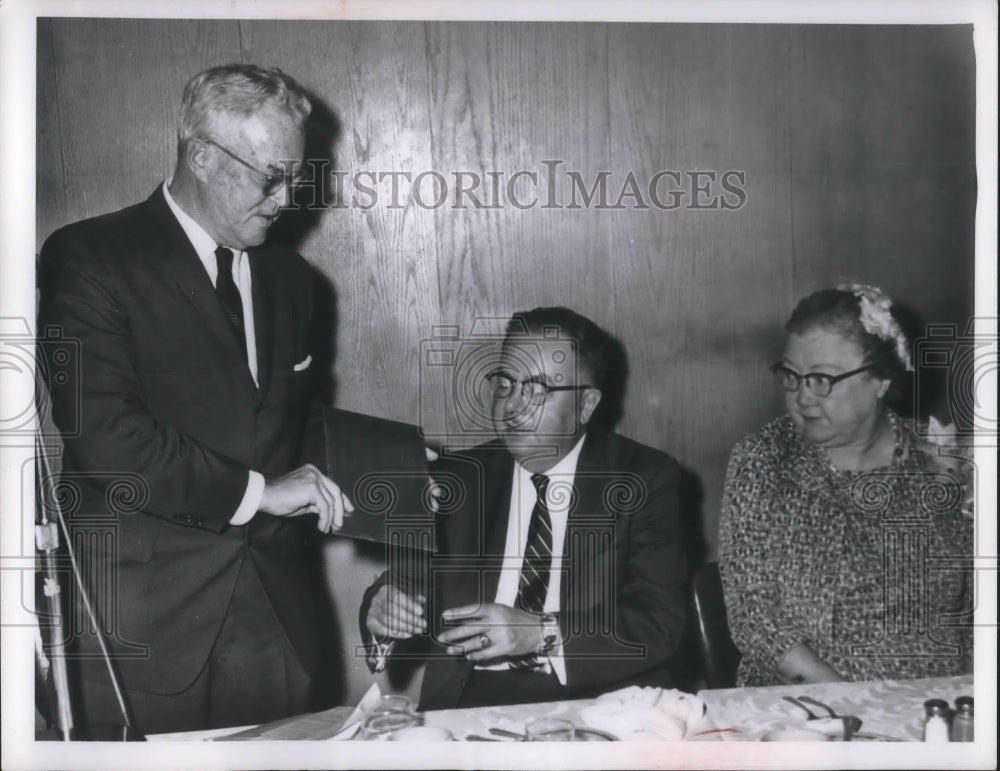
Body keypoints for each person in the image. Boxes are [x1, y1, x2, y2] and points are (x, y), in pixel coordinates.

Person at [37, 64, 354, 734]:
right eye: (273, 175)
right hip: (144, 628)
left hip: (274, 617)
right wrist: (256, 493)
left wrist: (401, 476)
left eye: (298, 176)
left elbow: (299, 427)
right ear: (203, 156)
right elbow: (108, 438)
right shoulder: (90, 258)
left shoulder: (295, 281)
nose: (288, 197)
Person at [360, 307, 687, 710]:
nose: (513, 406)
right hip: (473, 698)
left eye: (537, 389)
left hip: (603, 697)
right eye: (505, 384)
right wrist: (384, 610)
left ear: (586, 405)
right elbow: (406, 583)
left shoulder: (644, 478)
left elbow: (660, 621)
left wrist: (539, 632)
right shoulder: (459, 479)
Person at [718, 284, 973, 686]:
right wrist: (852, 705)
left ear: (881, 381)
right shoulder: (764, 459)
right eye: (791, 375)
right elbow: (755, 619)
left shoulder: (943, 458)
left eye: (822, 378)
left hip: (937, 704)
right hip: (809, 710)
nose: (803, 396)